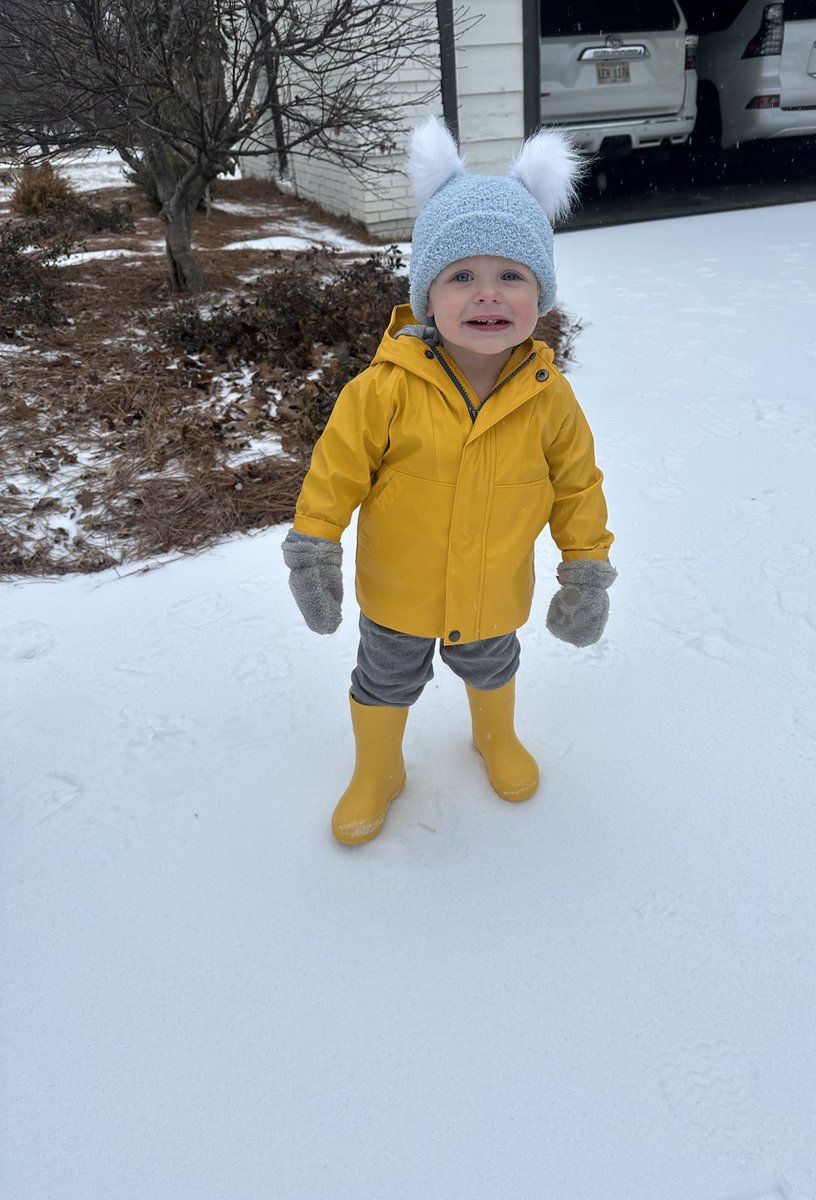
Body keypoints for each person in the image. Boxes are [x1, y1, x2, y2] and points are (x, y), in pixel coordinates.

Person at [282, 116, 616, 846]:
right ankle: (380, 769)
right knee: (384, 679)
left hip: (493, 586)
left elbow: (576, 486)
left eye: (511, 275)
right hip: (400, 588)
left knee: (493, 665)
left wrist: (585, 568)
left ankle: (493, 737)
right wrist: (314, 545)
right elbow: (335, 471)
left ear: (541, 293)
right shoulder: (384, 388)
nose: (486, 294)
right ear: (427, 293)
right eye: (461, 275)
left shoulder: (546, 394)